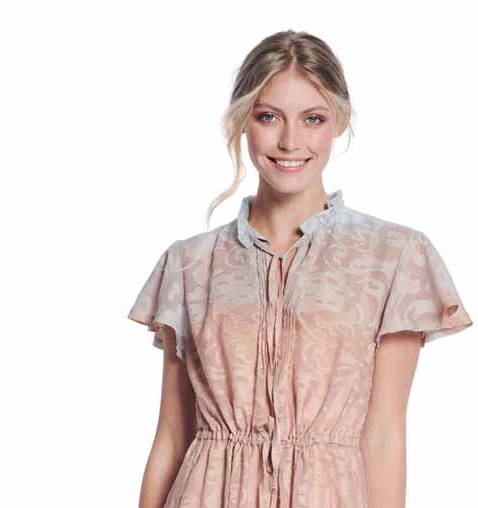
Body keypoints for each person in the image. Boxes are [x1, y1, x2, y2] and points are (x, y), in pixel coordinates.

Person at [127, 30, 473, 508]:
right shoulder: (190, 263)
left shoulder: (393, 256)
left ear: (338, 123)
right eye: (269, 117)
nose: (290, 141)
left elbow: (385, 436)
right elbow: (171, 434)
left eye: (313, 119)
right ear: (242, 121)